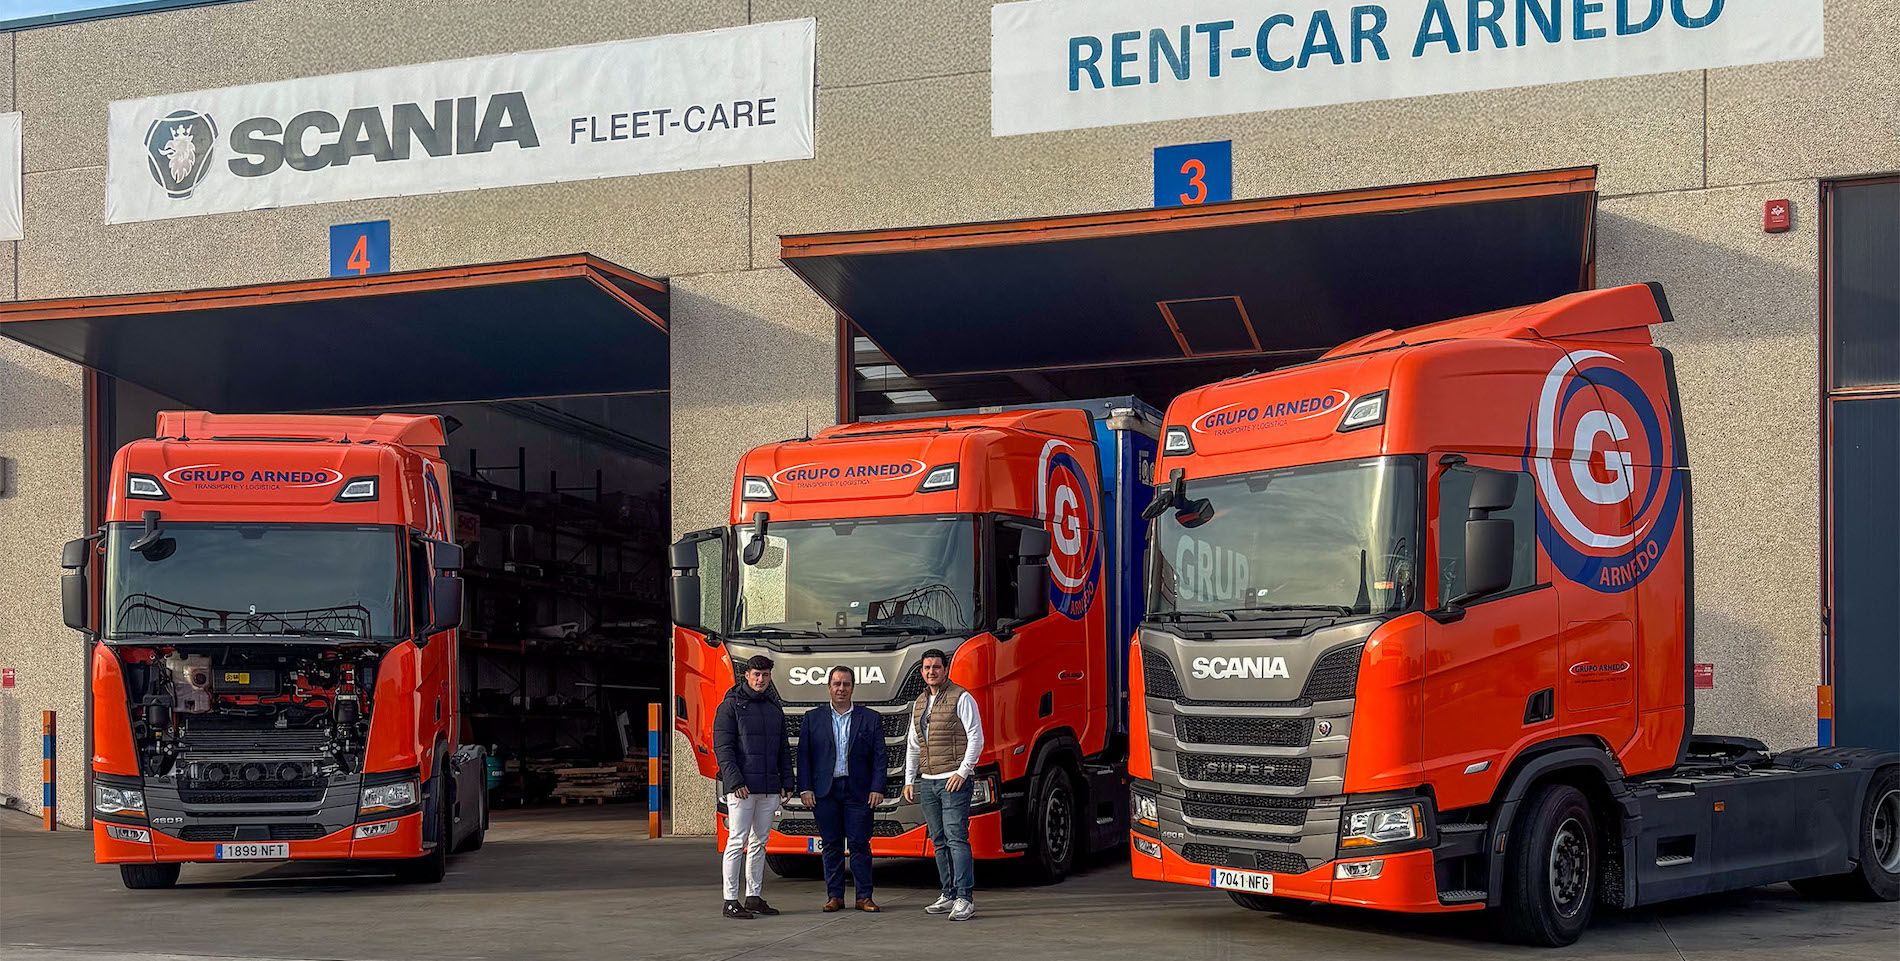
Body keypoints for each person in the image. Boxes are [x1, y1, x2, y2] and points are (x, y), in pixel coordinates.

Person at [798, 666, 889, 913]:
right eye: (837, 684)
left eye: (846, 684)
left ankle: (864, 897)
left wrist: (878, 787)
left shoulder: (870, 718)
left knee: (860, 844)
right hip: (825, 791)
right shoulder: (812, 718)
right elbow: (804, 756)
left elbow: (880, 757)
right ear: (829, 686)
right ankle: (835, 896)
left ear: (853, 687)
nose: (841, 688)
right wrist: (805, 788)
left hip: (858, 791)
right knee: (831, 844)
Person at [903, 648, 984, 921]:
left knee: (956, 839)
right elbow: (914, 744)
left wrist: (963, 772)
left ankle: (965, 898)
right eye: (926, 668)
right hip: (928, 782)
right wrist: (910, 779)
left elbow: (976, 737)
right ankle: (948, 894)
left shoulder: (961, 697)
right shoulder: (919, 703)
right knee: (938, 841)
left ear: (945, 669)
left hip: (953, 781)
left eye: (936, 667)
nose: (931, 672)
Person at [712, 654, 794, 919]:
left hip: (769, 788)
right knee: (737, 842)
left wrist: (787, 782)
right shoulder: (730, 706)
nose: (761, 679)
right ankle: (730, 900)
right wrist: (734, 781)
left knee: (760, 843)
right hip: (743, 789)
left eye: (766, 675)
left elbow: (783, 748)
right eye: (756, 674)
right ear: (746, 675)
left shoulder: (773, 706)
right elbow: (723, 749)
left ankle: (754, 897)